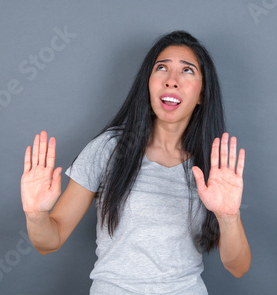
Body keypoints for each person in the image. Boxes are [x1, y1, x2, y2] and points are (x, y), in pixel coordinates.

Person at [21, 30, 251, 294]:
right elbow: (49, 241)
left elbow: (238, 267)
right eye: (161, 68)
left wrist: (228, 217)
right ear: (148, 83)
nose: (171, 81)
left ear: (202, 94)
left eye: (187, 71)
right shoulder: (109, 149)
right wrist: (36, 216)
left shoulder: (214, 169)